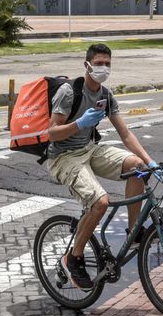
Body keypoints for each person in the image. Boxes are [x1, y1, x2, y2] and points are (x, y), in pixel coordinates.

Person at [45, 43, 155, 290]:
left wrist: (150, 161)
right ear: (87, 65)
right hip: (63, 156)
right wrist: (79, 124)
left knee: (137, 167)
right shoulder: (68, 92)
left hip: (89, 149)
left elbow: (125, 134)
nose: (103, 68)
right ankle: (73, 258)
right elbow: (52, 133)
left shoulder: (105, 94)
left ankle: (133, 232)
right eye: (98, 64)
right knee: (100, 202)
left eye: (107, 64)